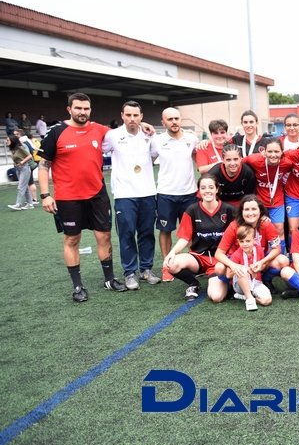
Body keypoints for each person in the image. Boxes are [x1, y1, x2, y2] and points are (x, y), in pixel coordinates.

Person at [37, 93, 127, 301]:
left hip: (97, 194)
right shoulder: (56, 132)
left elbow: (123, 133)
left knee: (104, 236)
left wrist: (146, 126)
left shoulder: (98, 129)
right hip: (68, 197)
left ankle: (109, 279)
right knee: (72, 239)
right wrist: (45, 195)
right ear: (69, 109)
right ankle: (78, 287)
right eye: (78, 108)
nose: (82, 112)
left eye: (86, 109)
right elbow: (43, 165)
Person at [101, 101, 160, 290]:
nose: (132, 119)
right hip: (124, 194)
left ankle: (146, 269)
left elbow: (153, 156)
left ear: (141, 117)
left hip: (148, 192)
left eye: (136, 115)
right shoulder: (112, 136)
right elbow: (98, 150)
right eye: (128, 115)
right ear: (122, 115)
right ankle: (129, 272)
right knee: (126, 234)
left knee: (147, 233)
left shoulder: (149, 135)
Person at [164, 174, 235, 301]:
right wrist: (172, 252)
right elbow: (185, 238)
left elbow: (239, 234)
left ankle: (227, 284)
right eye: (203, 188)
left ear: (217, 189)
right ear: (199, 191)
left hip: (220, 260)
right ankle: (193, 284)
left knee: (216, 297)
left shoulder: (228, 210)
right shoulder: (192, 210)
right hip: (198, 257)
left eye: (211, 187)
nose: (207, 191)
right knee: (171, 264)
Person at [207, 194, 287, 303]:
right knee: (219, 274)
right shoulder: (234, 226)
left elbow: (277, 248)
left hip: (258, 261)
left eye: (254, 209)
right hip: (239, 263)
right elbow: (219, 253)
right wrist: (233, 266)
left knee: (283, 260)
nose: (250, 213)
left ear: (260, 211)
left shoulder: (266, 224)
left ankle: (265, 280)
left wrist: (263, 261)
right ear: (242, 211)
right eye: (247, 209)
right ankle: (231, 285)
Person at [151, 107, 198, 282]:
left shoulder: (191, 139)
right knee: (165, 229)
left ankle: (193, 262)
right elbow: (148, 159)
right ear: (163, 122)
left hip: (189, 193)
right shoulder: (157, 141)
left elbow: (197, 158)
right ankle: (167, 266)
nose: (174, 122)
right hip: (166, 193)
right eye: (169, 119)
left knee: (193, 231)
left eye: (176, 118)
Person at [243, 137, 286, 246]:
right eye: (270, 151)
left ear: (282, 152)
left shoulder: (287, 163)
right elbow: (239, 163)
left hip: (277, 202)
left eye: (276, 151)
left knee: (279, 229)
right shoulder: (254, 160)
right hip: (260, 203)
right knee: (257, 230)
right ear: (264, 152)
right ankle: (257, 255)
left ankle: (281, 255)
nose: (273, 155)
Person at [228, 225, 273, 311]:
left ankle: (246, 297)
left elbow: (263, 266)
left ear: (254, 240)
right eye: (242, 241)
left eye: (248, 241)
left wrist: (259, 267)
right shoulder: (236, 255)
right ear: (238, 242)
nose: (245, 244)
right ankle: (249, 299)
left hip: (256, 282)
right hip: (240, 285)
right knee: (243, 270)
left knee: (267, 301)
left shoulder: (259, 250)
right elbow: (228, 275)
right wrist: (244, 268)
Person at [207, 143, 255, 208]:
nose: (232, 163)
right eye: (228, 160)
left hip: (241, 206)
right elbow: (207, 197)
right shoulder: (213, 174)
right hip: (220, 206)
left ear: (240, 159)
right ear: (223, 160)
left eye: (235, 159)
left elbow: (250, 198)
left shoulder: (248, 173)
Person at [6, 135, 34, 210]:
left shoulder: (20, 148)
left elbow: (30, 156)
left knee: (21, 186)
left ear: (13, 141)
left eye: (8, 140)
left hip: (24, 168)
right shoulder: (13, 149)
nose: (6, 141)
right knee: (25, 187)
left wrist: (22, 162)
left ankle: (18, 204)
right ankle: (30, 204)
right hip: (18, 169)